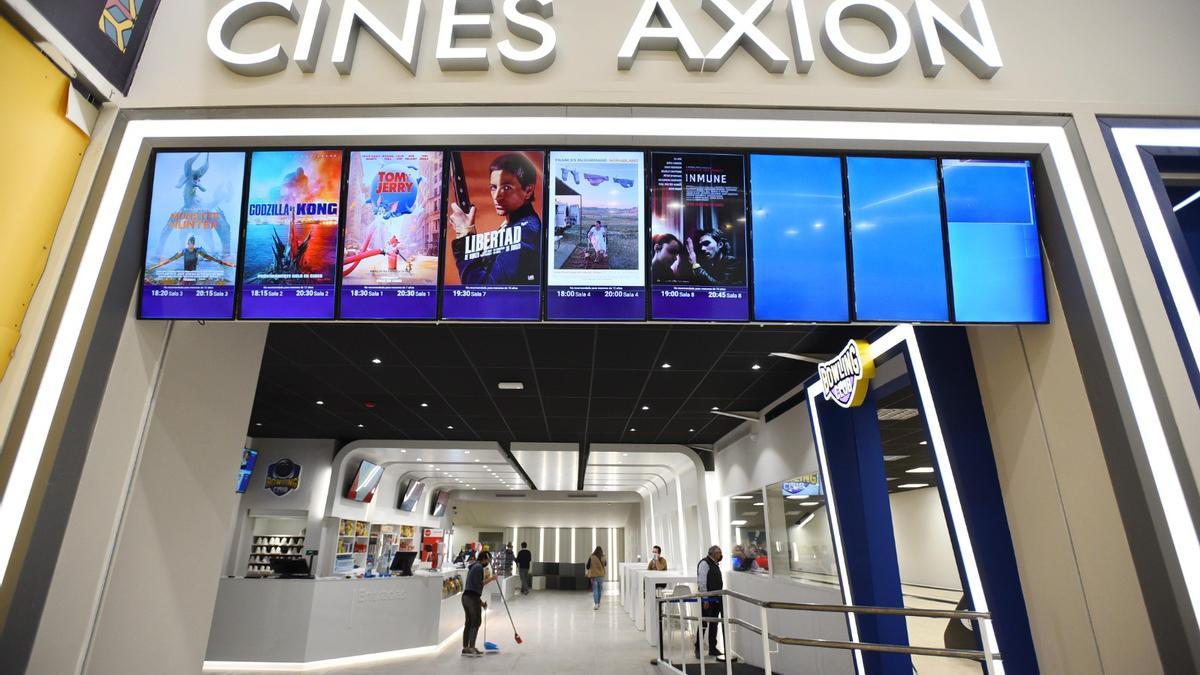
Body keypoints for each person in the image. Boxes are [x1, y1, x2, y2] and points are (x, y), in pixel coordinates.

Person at [448, 153, 542, 285]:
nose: (497, 196)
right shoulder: (513, 224)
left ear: (528, 191)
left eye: (506, 188)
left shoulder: (525, 232)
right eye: (493, 187)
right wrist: (468, 234)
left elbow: (484, 291)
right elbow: (489, 268)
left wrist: (464, 238)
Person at [462, 550, 495, 657]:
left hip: (466, 597)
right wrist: (492, 579)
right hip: (472, 598)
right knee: (476, 622)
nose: (488, 563)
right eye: (488, 560)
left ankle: (466, 647)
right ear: (484, 559)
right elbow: (478, 584)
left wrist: (481, 603)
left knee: (469, 623)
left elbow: (473, 589)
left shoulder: (473, 566)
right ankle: (471, 647)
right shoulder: (479, 567)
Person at [696, 545, 725, 660]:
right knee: (704, 623)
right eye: (718, 552)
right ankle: (698, 648)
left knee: (714, 623)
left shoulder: (715, 563)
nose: (720, 555)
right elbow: (702, 582)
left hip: (717, 598)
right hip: (709, 599)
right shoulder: (704, 563)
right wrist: (705, 599)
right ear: (713, 553)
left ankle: (713, 648)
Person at [586, 546, 607, 610]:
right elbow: (605, 564)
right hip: (601, 575)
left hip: (594, 576)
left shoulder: (591, 557)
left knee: (595, 590)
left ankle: (596, 604)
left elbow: (587, 566)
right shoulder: (603, 557)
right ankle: (599, 602)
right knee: (599, 589)